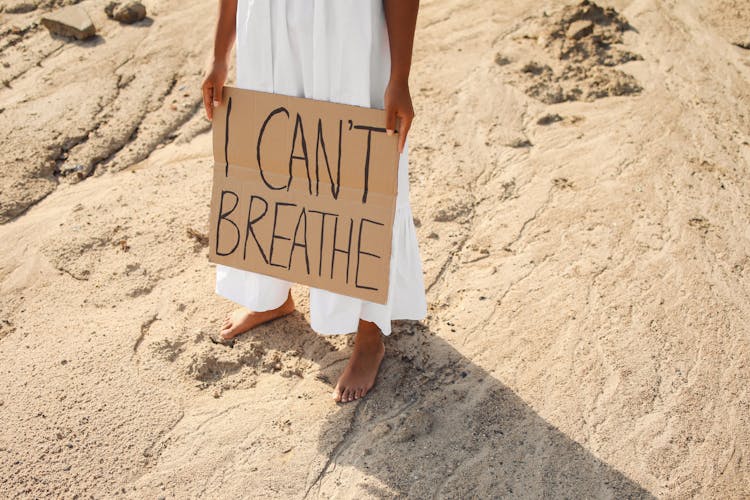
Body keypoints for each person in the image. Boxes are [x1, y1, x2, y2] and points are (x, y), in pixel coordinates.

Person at [201, 0, 426, 404]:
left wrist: (400, 77)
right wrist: (219, 54)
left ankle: (369, 331)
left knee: (357, 165)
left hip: (347, 27)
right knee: (273, 154)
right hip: (267, 22)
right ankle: (272, 295)